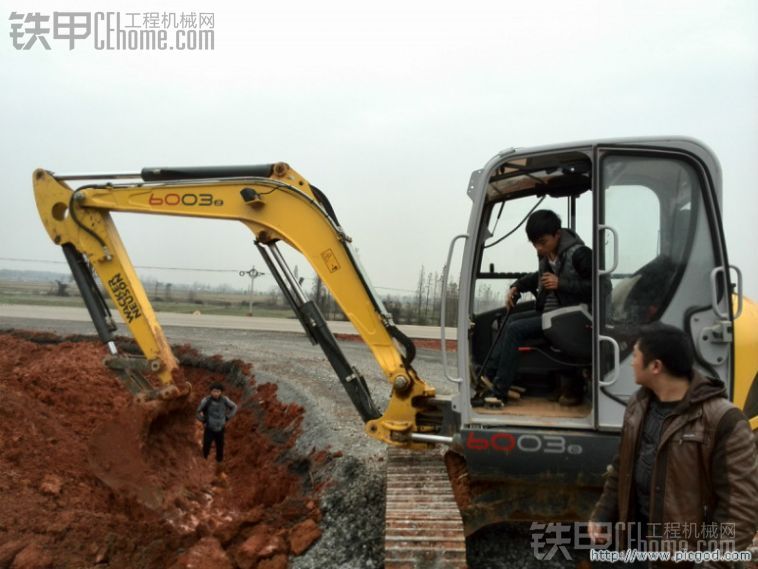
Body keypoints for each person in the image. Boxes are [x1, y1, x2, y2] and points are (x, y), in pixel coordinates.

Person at [588, 324, 758, 563]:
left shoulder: (723, 421)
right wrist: (603, 514)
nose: (631, 362)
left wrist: (715, 564)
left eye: (635, 355)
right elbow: (621, 467)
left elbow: (740, 508)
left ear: (656, 366)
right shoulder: (638, 405)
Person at [483, 209, 592, 405]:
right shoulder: (549, 256)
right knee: (510, 320)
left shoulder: (580, 255)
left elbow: (602, 287)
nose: (538, 248)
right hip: (554, 314)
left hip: (573, 318)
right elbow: (538, 277)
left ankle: (498, 391)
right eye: (534, 244)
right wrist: (517, 286)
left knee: (516, 329)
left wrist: (562, 284)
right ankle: (490, 376)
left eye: (542, 242)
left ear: (557, 235)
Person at [195, 382, 238, 467]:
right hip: (209, 428)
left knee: (220, 446)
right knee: (206, 445)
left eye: (218, 391)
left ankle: (219, 464)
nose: (216, 393)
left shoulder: (225, 400)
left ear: (221, 392)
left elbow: (234, 407)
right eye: (214, 391)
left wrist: (228, 417)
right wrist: (203, 420)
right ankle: (203, 462)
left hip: (220, 429)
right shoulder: (206, 400)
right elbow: (197, 411)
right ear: (211, 392)